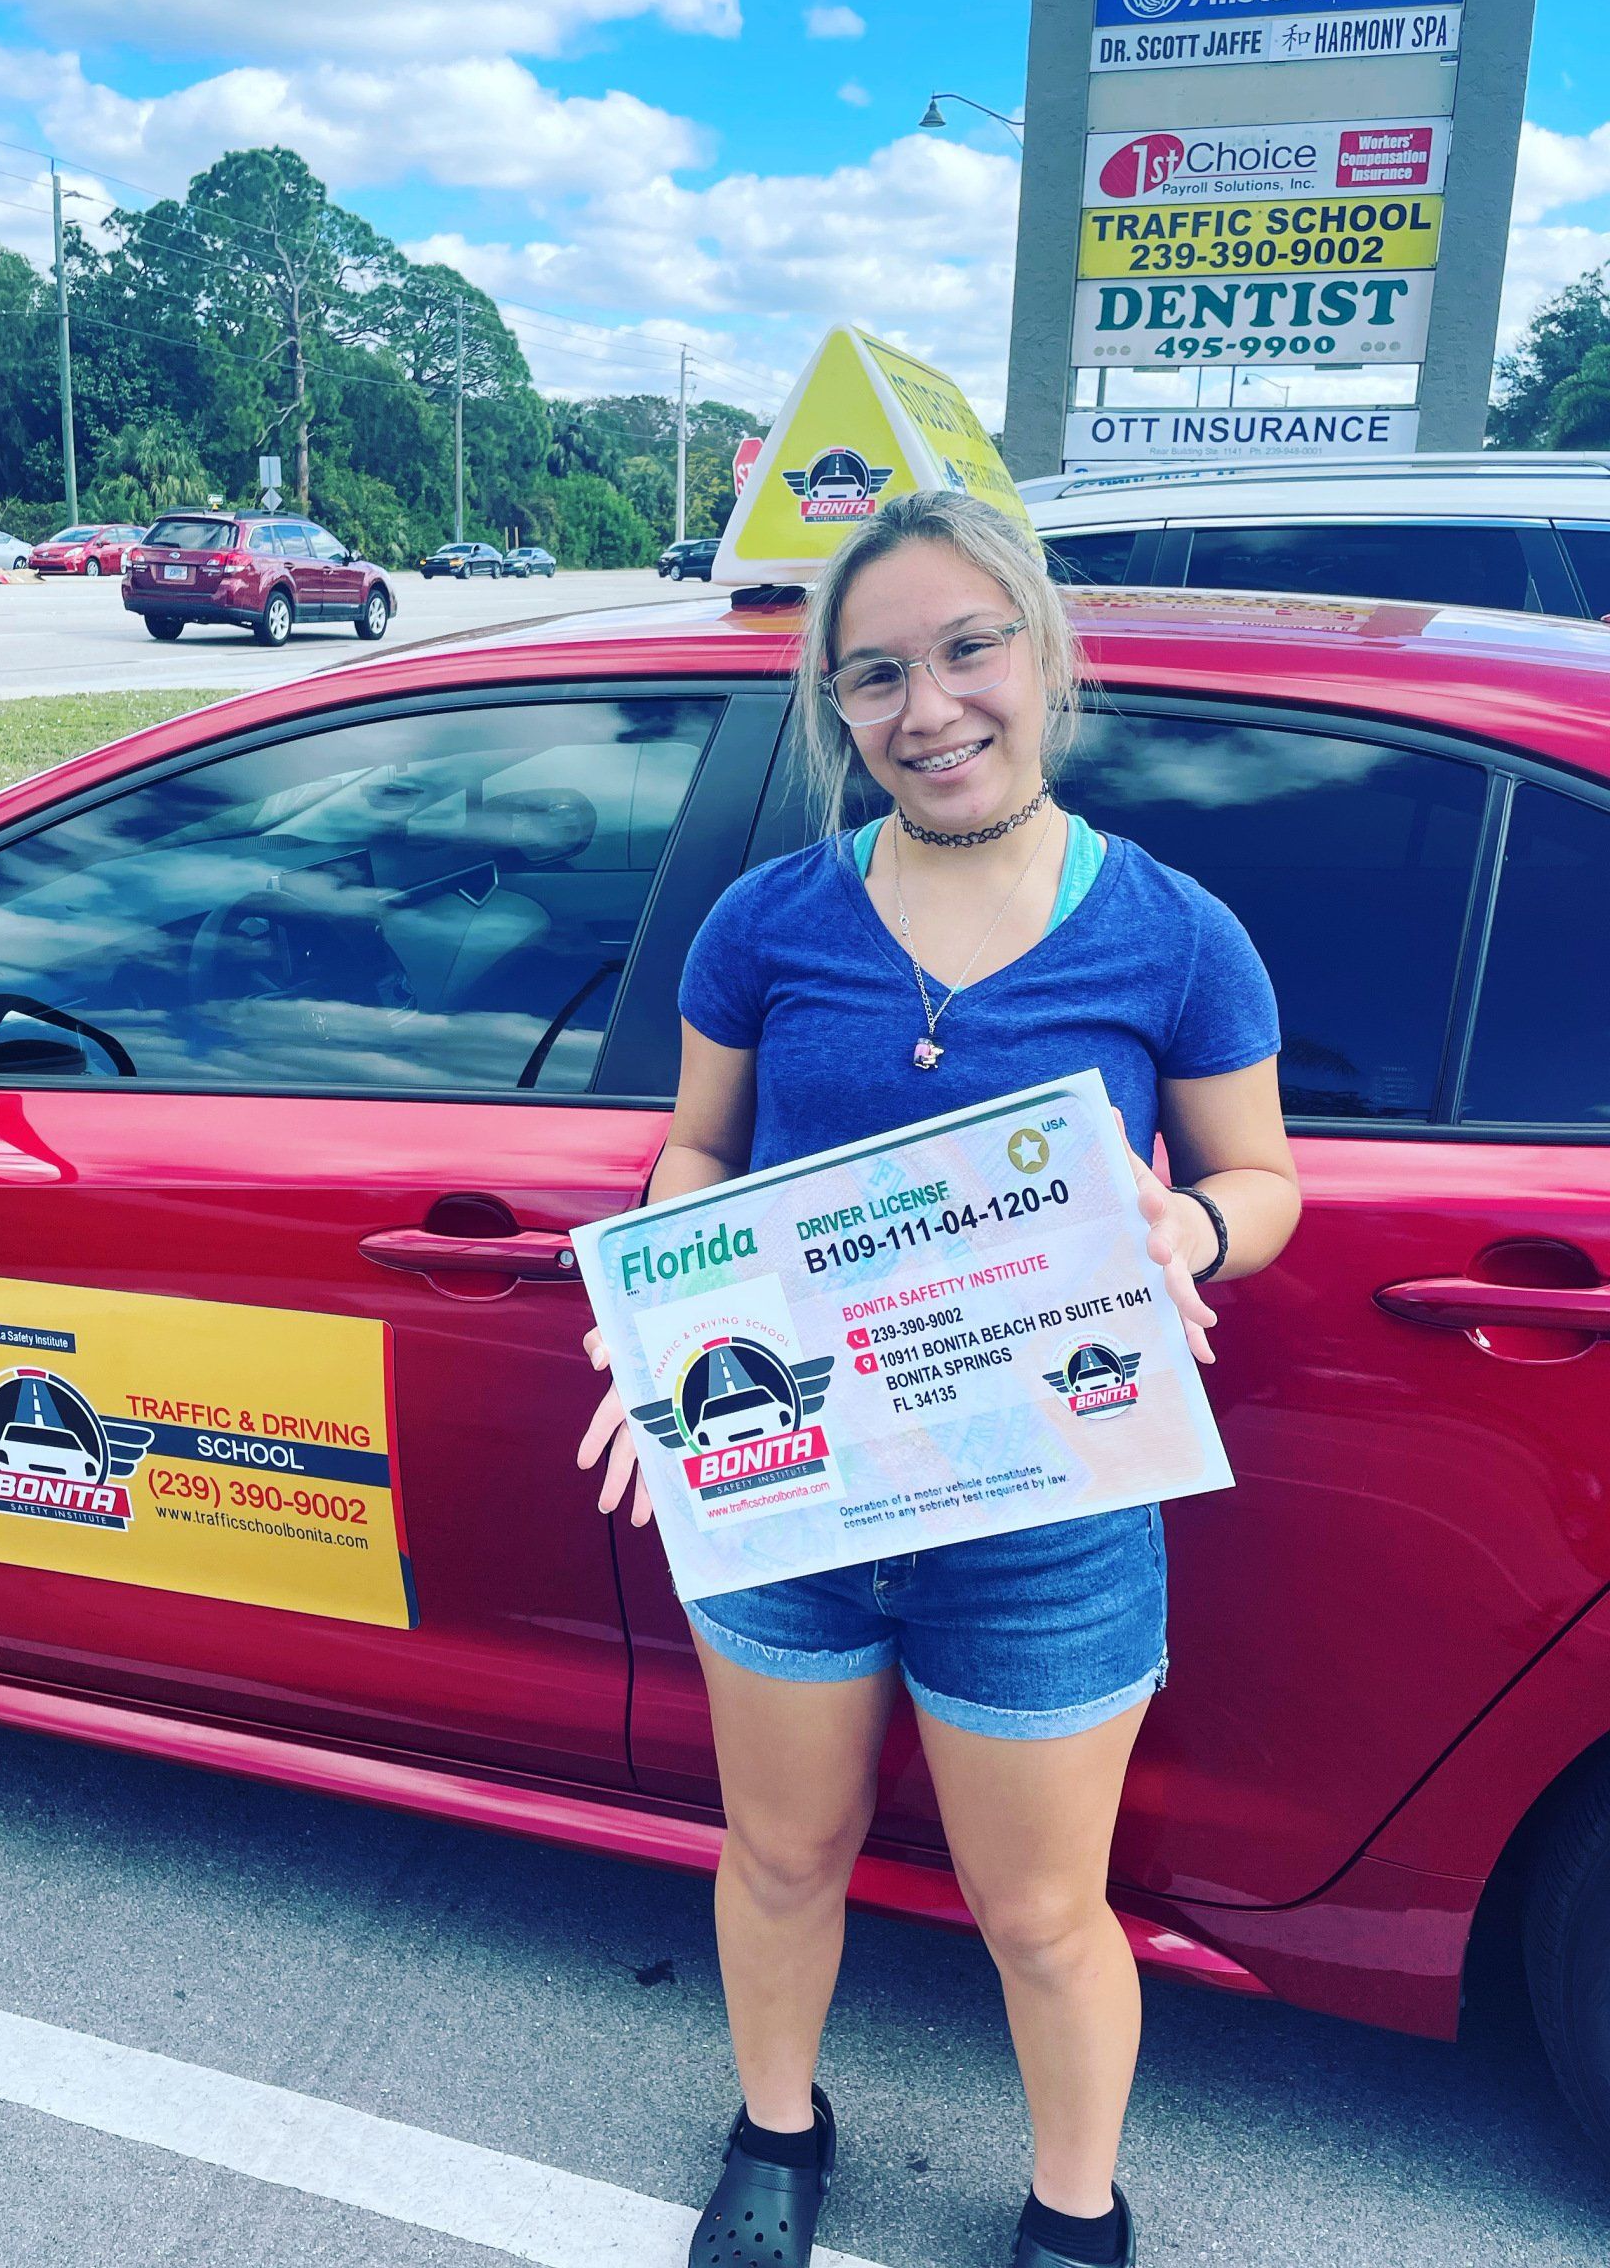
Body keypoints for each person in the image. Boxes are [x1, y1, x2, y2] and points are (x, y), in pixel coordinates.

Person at [576, 491, 1301, 2268]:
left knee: (1047, 1914)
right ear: (838, 705)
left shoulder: (1177, 933)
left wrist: (1184, 1237)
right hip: (793, 1483)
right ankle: (774, 2130)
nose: (931, 706)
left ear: (1044, 657)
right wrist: (660, 1320)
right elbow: (696, 1158)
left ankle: (1075, 2211)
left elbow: (1263, 1186)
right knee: (778, 1855)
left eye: (970, 648)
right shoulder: (768, 921)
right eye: (879, 673)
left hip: (1051, 1508)